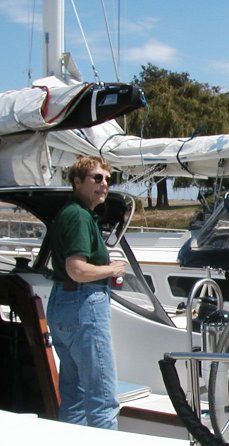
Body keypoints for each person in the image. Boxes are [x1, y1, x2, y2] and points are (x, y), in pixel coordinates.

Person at [47, 156, 126, 429]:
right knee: (102, 398)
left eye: (107, 179)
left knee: (74, 395)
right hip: (85, 306)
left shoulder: (69, 213)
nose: (104, 184)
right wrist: (112, 268)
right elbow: (77, 269)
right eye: (96, 178)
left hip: (61, 303)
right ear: (77, 182)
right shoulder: (80, 217)